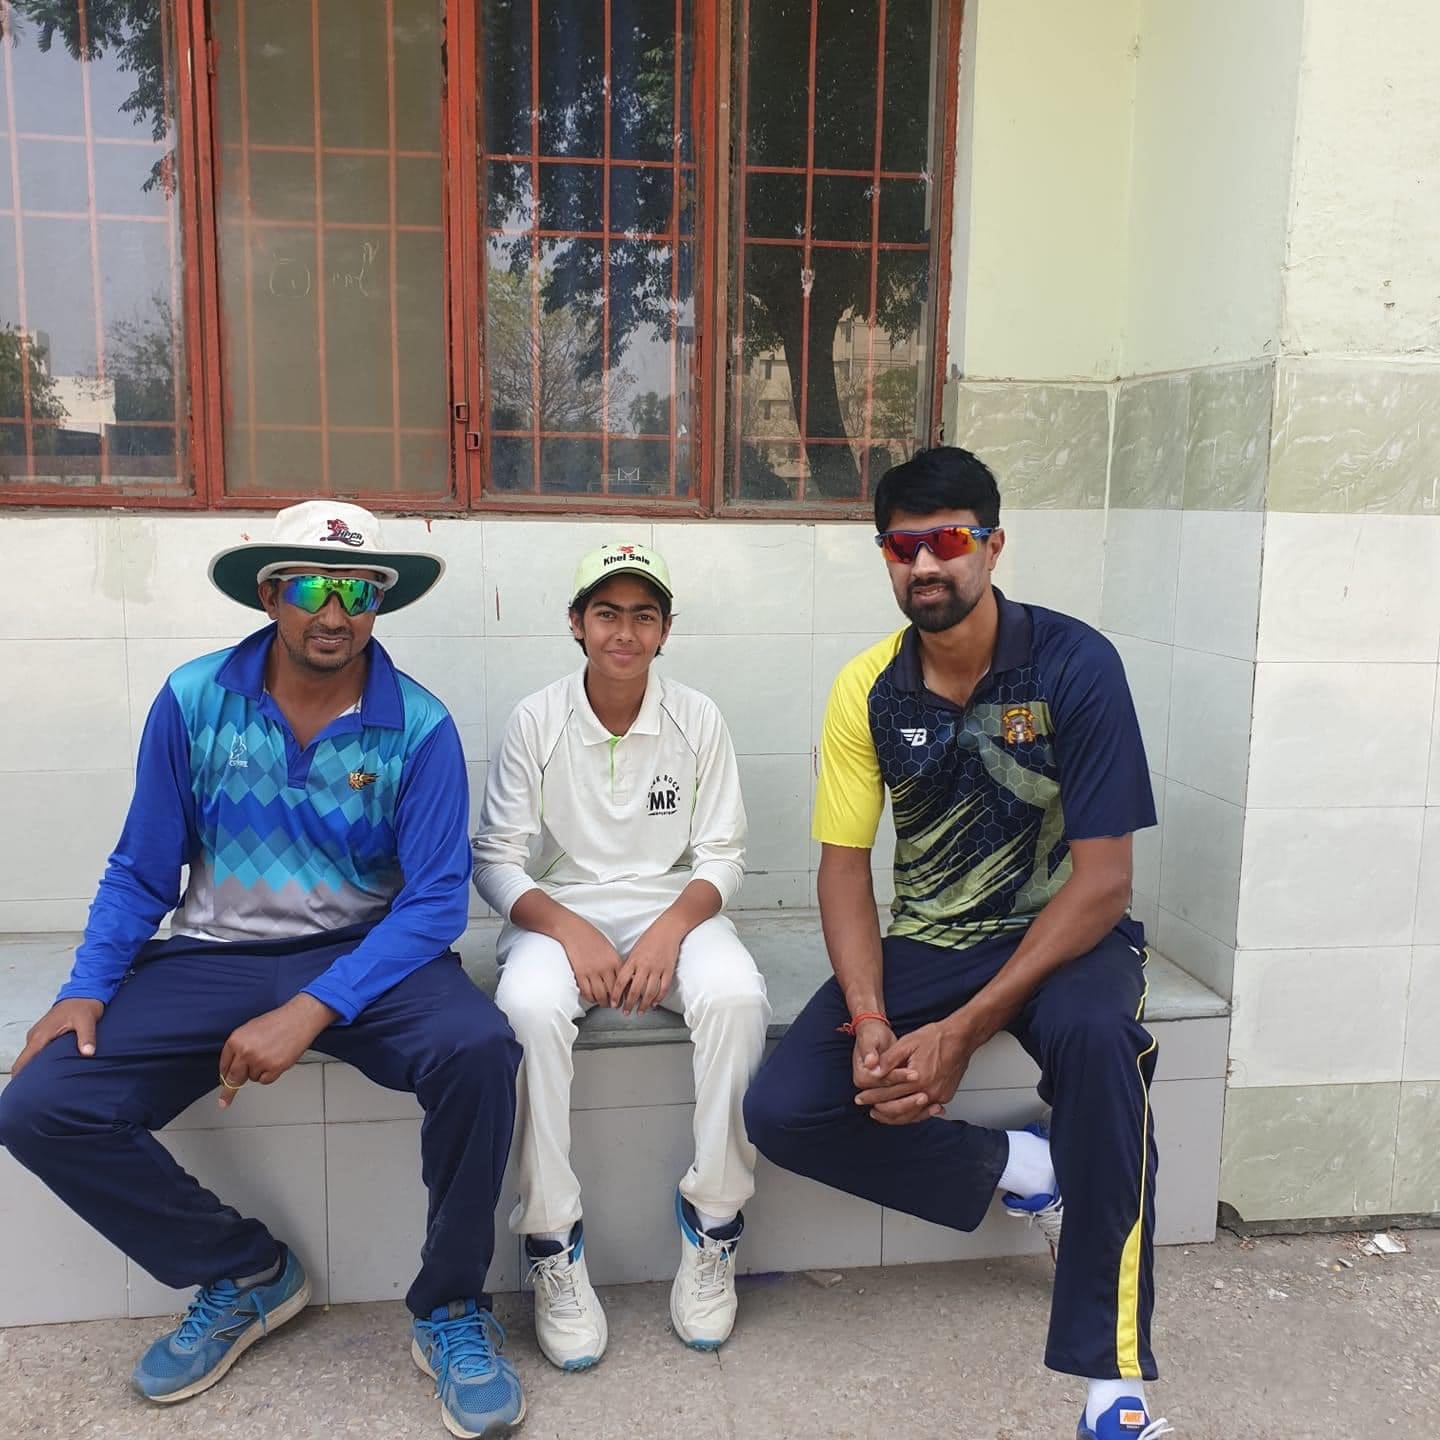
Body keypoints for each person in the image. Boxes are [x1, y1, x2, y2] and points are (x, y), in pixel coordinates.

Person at [0, 502, 525, 1439]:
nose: (336, 612)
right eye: (314, 587)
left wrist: (314, 1006)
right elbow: (141, 869)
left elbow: (439, 902)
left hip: (369, 955)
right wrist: (84, 984)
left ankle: (450, 1309)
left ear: (379, 603)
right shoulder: (195, 698)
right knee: (40, 1104)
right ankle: (244, 1271)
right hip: (215, 952)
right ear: (272, 593)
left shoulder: (421, 725)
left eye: (359, 590)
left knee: (480, 1047)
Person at [743, 448, 1172, 1440]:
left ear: (992, 545)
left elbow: (1106, 880)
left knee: (1106, 1052)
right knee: (783, 1107)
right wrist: (869, 1015)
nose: (924, 565)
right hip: (934, 938)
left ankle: (1113, 1386)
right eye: (903, 546)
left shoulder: (1073, 664)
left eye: (947, 540)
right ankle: (1026, 1169)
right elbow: (843, 867)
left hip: (1068, 935)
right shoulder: (869, 688)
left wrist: (969, 1028)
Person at [472, 542, 770, 1370]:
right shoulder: (536, 718)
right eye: (608, 613)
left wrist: (671, 929)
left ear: (666, 630)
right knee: (527, 1009)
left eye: (644, 615)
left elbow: (723, 856)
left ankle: (714, 1228)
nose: (625, 631)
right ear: (577, 623)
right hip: (563, 912)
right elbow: (495, 858)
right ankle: (552, 1245)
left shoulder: (698, 718)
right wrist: (571, 930)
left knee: (739, 999)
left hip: (671, 907)